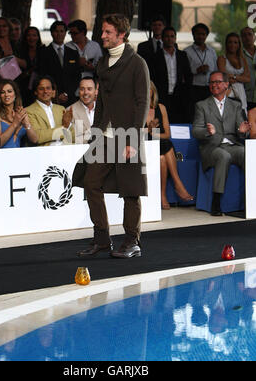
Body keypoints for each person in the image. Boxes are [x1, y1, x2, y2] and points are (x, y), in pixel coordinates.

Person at [73, 13, 150, 259]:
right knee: (90, 183)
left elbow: (142, 103)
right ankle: (102, 240)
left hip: (128, 136)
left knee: (131, 190)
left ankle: (131, 241)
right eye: (103, 31)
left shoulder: (137, 63)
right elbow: (102, 103)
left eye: (107, 32)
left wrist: (133, 141)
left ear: (121, 35)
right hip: (104, 137)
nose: (102, 36)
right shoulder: (102, 63)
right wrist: (96, 133)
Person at [192, 71, 250, 216]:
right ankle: (216, 202)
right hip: (211, 147)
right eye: (211, 82)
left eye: (217, 82)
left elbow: (242, 131)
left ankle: (250, 199)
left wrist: (242, 131)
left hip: (232, 145)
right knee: (223, 156)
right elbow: (195, 131)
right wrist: (207, 131)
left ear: (226, 85)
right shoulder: (202, 105)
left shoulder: (235, 105)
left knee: (245, 153)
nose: (214, 85)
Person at [146, 82, 193, 209]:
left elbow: (167, 134)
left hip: (159, 143)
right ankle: (177, 184)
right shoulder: (137, 108)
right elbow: (133, 132)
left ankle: (162, 194)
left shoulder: (161, 108)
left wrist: (152, 132)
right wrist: (149, 130)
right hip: (144, 145)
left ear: (153, 91)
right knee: (165, 147)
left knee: (162, 157)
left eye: (148, 89)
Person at [151, 26, 193, 123]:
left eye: (172, 36)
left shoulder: (182, 55)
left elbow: (188, 75)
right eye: (166, 36)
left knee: (177, 122)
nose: (169, 39)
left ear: (175, 38)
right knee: (160, 122)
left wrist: (186, 92)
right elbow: (152, 77)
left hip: (179, 96)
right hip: (161, 95)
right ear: (162, 38)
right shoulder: (155, 57)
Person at [39, 21, 81, 107]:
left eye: (62, 31)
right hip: (51, 98)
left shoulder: (73, 53)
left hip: (70, 98)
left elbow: (77, 76)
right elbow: (43, 75)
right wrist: (55, 94)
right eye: (56, 31)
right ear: (51, 33)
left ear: (65, 33)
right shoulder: (43, 53)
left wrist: (67, 93)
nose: (59, 34)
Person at [26, 75, 74, 146]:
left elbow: (73, 135)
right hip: (45, 152)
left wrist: (69, 125)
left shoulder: (61, 109)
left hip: (65, 149)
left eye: (48, 88)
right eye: (41, 89)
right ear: (35, 92)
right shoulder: (29, 111)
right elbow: (38, 137)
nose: (45, 91)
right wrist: (64, 128)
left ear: (53, 92)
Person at [184, 23, 217, 121]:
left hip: (209, 89)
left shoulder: (212, 51)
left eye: (203, 34)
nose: (201, 36)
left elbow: (215, 70)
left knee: (208, 116)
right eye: (198, 34)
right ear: (193, 35)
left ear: (206, 35)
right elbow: (184, 72)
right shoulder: (187, 51)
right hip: (193, 89)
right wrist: (196, 70)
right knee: (193, 115)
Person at [0, 79, 38, 148]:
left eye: (9, 91)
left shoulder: (20, 112)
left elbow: (35, 140)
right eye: (2, 92)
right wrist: (15, 124)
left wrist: (26, 123)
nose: (6, 95)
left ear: (15, 94)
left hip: (20, 155)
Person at [217, 32, 250, 117]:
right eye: (230, 42)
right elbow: (224, 77)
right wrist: (240, 78)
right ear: (226, 44)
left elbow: (248, 78)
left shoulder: (243, 59)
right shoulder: (222, 58)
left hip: (241, 92)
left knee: (242, 116)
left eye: (235, 42)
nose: (233, 45)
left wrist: (234, 76)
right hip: (228, 90)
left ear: (239, 44)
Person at [18, 26, 45, 106]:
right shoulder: (20, 51)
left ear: (38, 37)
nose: (31, 38)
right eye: (29, 35)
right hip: (23, 89)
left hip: (40, 88)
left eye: (34, 35)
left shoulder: (43, 51)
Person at [67, 76, 98, 144]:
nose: (85, 92)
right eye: (82, 89)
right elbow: (71, 138)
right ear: (78, 92)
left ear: (96, 91)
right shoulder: (69, 111)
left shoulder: (104, 109)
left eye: (89, 89)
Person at [240, 27, 256, 109]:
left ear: (254, 37)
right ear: (241, 39)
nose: (247, 37)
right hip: (245, 97)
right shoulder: (238, 55)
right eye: (244, 35)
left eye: (250, 34)